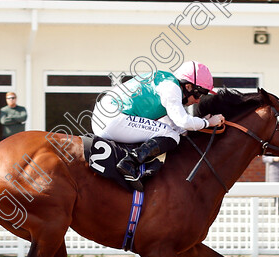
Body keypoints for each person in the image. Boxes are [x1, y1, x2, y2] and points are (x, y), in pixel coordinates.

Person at [92, 60, 224, 191]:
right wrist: (208, 123)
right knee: (171, 136)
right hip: (114, 119)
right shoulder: (172, 88)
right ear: (188, 86)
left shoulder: (166, 81)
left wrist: (201, 123)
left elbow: (176, 126)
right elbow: (182, 122)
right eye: (198, 94)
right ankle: (130, 162)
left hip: (105, 117)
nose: (198, 100)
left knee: (169, 133)